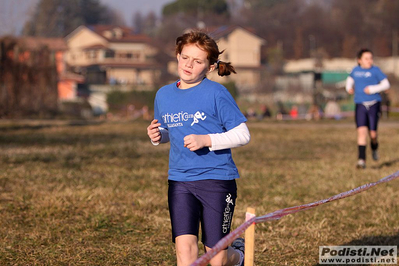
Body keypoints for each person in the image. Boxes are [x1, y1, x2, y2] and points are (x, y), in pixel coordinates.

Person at [147, 31, 250, 266]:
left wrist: (207, 140)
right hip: (180, 180)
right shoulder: (163, 95)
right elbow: (169, 132)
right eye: (185, 57)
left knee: (215, 256)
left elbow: (243, 135)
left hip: (216, 180)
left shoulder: (217, 93)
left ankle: (238, 257)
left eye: (197, 61)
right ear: (177, 56)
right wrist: (157, 136)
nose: (188, 65)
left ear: (210, 67)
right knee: (185, 253)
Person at [345, 48, 390, 169]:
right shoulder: (355, 70)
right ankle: (361, 160)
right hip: (360, 104)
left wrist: (372, 89)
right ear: (359, 60)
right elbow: (349, 80)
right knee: (361, 131)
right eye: (366, 58)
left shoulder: (375, 70)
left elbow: (386, 84)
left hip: (374, 103)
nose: (369, 60)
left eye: (371, 58)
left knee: (373, 134)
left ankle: (374, 148)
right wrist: (349, 88)